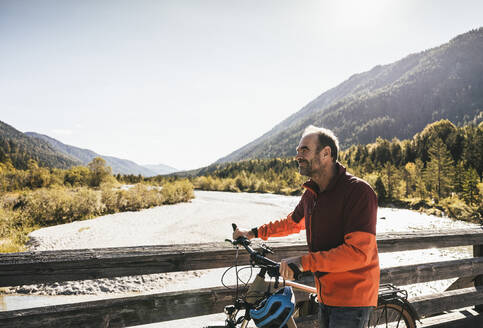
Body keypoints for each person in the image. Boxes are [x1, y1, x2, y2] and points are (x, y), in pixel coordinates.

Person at [233, 125, 379, 328]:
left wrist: (303, 262)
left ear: (326, 153)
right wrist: (253, 233)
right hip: (325, 294)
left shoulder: (358, 192)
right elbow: (292, 223)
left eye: (304, 150)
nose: (298, 156)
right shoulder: (311, 194)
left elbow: (357, 253)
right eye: (297, 151)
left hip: (352, 298)